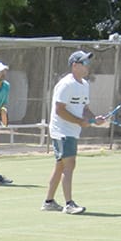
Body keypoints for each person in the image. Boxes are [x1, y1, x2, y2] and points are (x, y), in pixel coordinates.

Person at [44, 50, 106, 214]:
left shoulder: (84, 85)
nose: (87, 66)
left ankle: (49, 202)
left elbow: (84, 108)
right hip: (61, 131)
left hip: (72, 130)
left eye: (88, 63)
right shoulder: (66, 84)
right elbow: (59, 110)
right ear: (74, 66)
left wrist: (94, 119)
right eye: (84, 63)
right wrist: (80, 121)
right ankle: (69, 204)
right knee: (69, 165)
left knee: (60, 166)